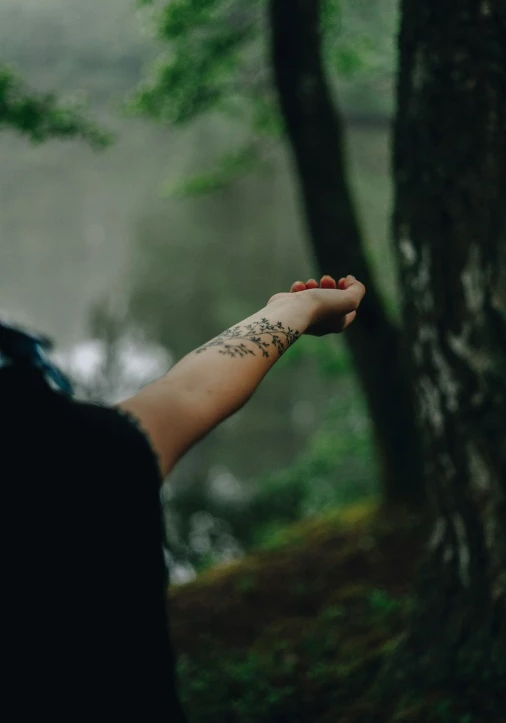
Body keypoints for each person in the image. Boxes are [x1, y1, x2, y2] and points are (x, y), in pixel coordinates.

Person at [2, 274, 365, 719]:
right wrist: (293, 310)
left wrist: (293, 309)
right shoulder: (77, 458)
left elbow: (190, 390)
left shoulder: (79, 454)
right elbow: (188, 393)